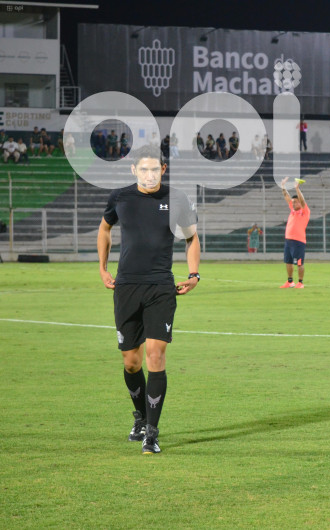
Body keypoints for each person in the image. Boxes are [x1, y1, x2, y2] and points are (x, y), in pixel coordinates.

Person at [97, 145, 200, 454]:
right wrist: (102, 268)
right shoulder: (120, 198)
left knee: (156, 356)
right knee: (131, 361)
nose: (149, 174)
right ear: (134, 171)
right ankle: (140, 416)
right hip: (126, 287)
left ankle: (151, 434)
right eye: (144, 169)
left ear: (163, 170)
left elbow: (192, 237)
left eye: (155, 169)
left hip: (160, 288)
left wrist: (194, 275)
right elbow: (105, 229)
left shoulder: (177, 199)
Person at [279, 176, 310, 288]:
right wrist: (283, 187)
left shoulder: (305, 211)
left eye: (295, 202)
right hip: (288, 241)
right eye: (292, 202)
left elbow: (302, 201)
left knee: (299, 263)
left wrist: (297, 188)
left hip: (299, 242)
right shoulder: (292, 211)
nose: (293, 204)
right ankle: (290, 281)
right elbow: (286, 196)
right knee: (288, 262)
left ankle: (300, 282)